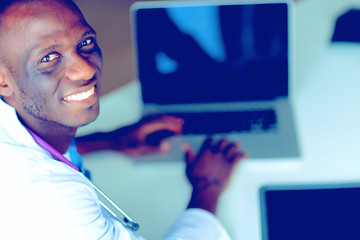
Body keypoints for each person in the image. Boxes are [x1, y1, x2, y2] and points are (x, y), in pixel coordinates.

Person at [0, 0, 246, 239]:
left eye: (86, 42)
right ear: (3, 81)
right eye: (48, 58)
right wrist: (207, 187)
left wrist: (112, 140)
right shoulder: (57, 203)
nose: (86, 70)